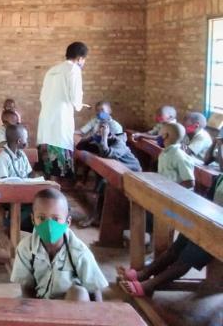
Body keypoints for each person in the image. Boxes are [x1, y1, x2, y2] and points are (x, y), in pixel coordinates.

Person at [117, 170, 223, 298]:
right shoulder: (220, 178)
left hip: (217, 235)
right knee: (175, 249)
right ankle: (144, 274)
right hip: (206, 223)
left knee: (186, 260)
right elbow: (208, 202)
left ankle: (149, 285)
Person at [11, 188, 108, 301]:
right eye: (42, 218)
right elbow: (26, 287)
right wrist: (34, 312)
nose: (49, 225)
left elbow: (94, 289)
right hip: (39, 302)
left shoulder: (79, 251)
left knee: (79, 293)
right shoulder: (25, 248)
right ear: (33, 219)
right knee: (14, 306)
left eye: (56, 219)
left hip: (69, 307)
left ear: (67, 222)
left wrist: (98, 315)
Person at [37, 42, 89, 180]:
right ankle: (56, 194)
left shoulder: (51, 70)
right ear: (80, 58)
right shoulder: (74, 70)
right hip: (60, 121)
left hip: (46, 120)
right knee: (58, 167)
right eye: (84, 60)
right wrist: (79, 104)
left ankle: (47, 192)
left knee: (46, 162)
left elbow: (43, 97)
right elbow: (76, 99)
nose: (83, 63)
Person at [75, 121, 142, 227]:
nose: (100, 135)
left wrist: (104, 137)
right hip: (118, 170)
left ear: (111, 134)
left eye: (101, 133)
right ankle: (97, 215)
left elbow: (106, 152)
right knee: (102, 179)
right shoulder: (103, 142)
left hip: (133, 174)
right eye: (98, 132)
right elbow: (80, 146)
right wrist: (93, 137)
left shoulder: (119, 143)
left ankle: (98, 217)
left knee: (105, 184)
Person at [0, 124, 34, 231]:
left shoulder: (22, 155)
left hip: (21, 192)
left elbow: (29, 173)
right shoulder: (3, 158)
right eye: (26, 139)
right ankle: (10, 225)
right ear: (19, 141)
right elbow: (4, 184)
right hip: (4, 195)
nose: (27, 141)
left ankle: (17, 224)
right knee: (31, 208)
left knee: (40, 202)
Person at [157, 123, 195, 189]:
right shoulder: (165, 153)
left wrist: (171, 190)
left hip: (175, 195)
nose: (157, 137)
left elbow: (190, 182)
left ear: (165, 135)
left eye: (159, 134)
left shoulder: (179, 156)